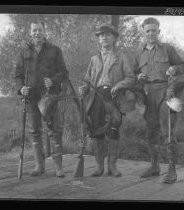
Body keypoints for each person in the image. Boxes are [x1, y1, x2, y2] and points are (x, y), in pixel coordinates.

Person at [133, 17, 184, 184]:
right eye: (147, 31)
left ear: (158, 32)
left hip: (166, 91)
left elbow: (183, 66)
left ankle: (172, 170)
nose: (150, 34)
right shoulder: (139, 52)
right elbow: (133, 73)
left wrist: (174, 68)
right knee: (151, 131)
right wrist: (137, 76)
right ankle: (154, 167)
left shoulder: (168, 49)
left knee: (168, 130)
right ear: (143, 32)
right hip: (148, 94)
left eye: (153, 30)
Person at [79, 24, 135, 177]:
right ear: (98, 39)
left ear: (114, 38)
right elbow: (87, 80)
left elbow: (131, 78)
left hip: (114, 98)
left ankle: (112, 166)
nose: (104, 37)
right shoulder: (94, 59)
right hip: (96, 98)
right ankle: (99, 167)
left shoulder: (121, 57)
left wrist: (118, 86)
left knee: (113, 130)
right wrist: (83, 88)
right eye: (101, 35)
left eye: (107, 35)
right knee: (96, 132)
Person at [14, 21, 68, 178]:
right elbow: (17, 75)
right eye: (34, 30)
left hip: (49, 98)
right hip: (30, 98)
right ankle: (39, 166)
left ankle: (58, 167)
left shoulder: (55, 50)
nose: (37, 33)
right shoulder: (23, 52)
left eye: (40, 30)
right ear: (30, 33)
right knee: (34, 132)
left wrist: (53, 80)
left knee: (55, 131)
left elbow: (64, 72)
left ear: (44, 32)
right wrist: (20, 88)